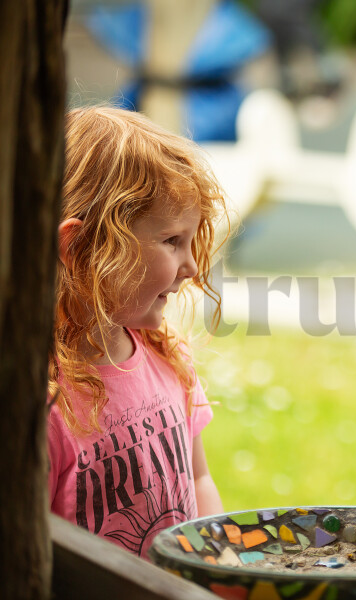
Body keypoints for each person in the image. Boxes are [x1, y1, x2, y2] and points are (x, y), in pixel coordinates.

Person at [47, 106, 228, 559]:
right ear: (79, 246)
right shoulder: (44, 402)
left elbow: (198, 478)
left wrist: (219, 566)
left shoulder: (166, 356)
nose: (193, 267)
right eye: (171, 241)